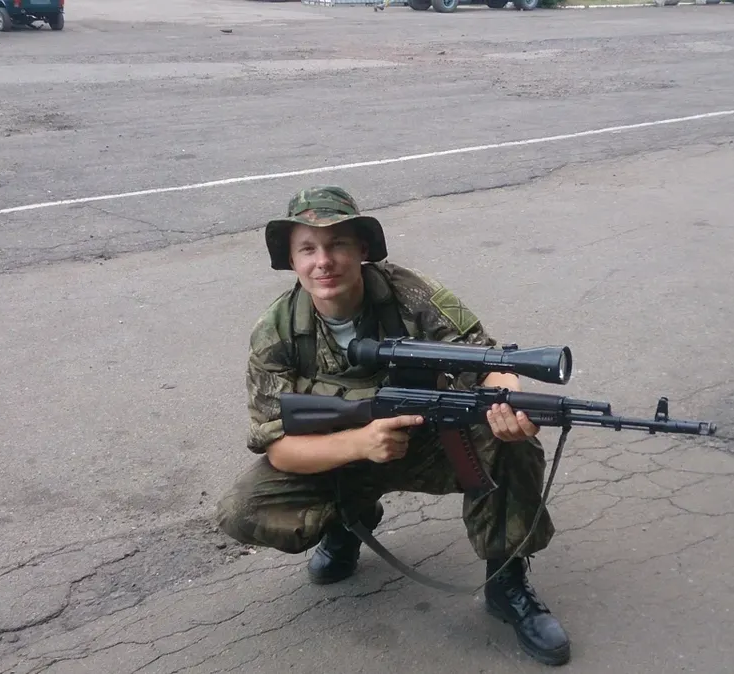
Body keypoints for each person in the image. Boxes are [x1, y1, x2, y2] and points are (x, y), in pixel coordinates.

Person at [216, 186, 571, 666]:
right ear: (292, 260)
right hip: (343, 454)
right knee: (242, 508)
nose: (324, 261)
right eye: (308, 249)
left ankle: (505, 581)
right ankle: (346, 522)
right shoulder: (276, 331)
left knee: (512, 445)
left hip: (431, 442)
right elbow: (278, 445)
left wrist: (510, 401)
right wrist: (361, 443)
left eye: (338, 244)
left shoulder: (410, 293)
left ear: (362, 249)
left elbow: (485, 357)